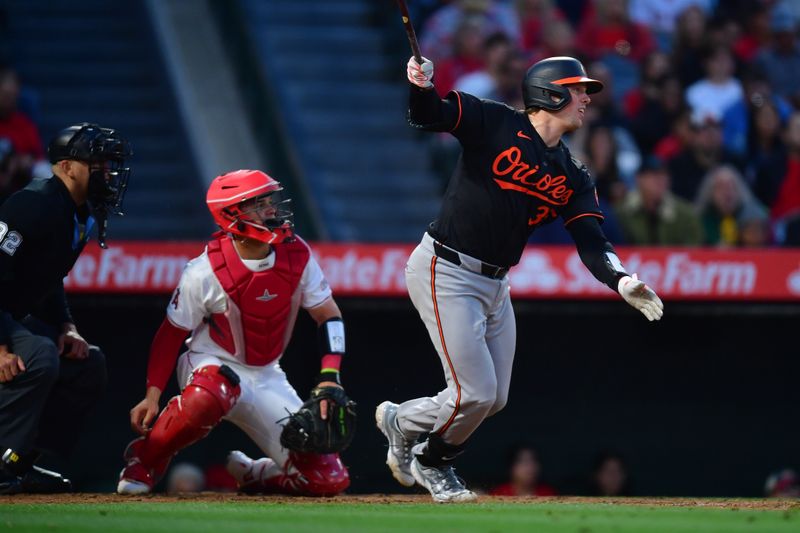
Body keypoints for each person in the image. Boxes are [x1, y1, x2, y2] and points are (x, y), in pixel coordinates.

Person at [375, 54, 664, 503]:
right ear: (550, 92)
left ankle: (403, 421)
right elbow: (427, 114)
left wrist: (622, 280)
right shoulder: (493, 121)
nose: (586, 97)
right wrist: (420, 84)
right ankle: (434, 463)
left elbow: (590, 239)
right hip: (446, 267)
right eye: (578, 88)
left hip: (495, 283)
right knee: (475, 393)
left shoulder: (572, 173)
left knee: (494, 398)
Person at [116, 169, 350, 496]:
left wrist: (330, 376)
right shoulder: (204, 270)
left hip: (267, 373)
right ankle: (145, 458)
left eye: (270, 201)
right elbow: (171, 334)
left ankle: (254, 474)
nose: (271, 210)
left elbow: (329, 315)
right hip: (210, 364)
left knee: (329, 479)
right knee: (208, 394)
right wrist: (152, 395)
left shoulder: (298, 253)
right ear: (231, 215)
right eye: (258, 205)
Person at [0, 122, 132, 494]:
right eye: (99, 164)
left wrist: (66, 326)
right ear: (68, 166)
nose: (107, 174)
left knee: (88, 364)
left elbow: (47, 277)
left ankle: (19, 462)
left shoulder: (77, 213)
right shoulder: (32, 203)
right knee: (39, 355)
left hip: (9, 317)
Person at [615, 156, 704, 245]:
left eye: (664, 175)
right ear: (639, 178)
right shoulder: (621, 212)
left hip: (675, 259)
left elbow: (694, 250)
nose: (660, 180)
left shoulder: (685, 214)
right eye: (653, 174)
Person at [489, 444, 557, 497]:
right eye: (523, 462)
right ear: (511, 467)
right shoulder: (499, 494)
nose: (530, 467)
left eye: (533, 460)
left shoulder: (547, 493)